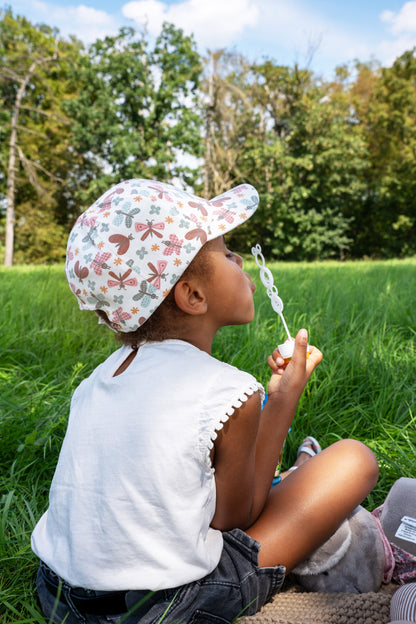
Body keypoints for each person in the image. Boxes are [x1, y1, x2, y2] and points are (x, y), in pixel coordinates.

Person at [31, 179, 379, 624]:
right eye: (229, 254)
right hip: (161, 610)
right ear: (193, 295)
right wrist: (284, 398)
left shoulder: (97, 380)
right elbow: (236, 521)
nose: (243, 263)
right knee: (353, 458)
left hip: (60, 596)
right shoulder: (227, 390)